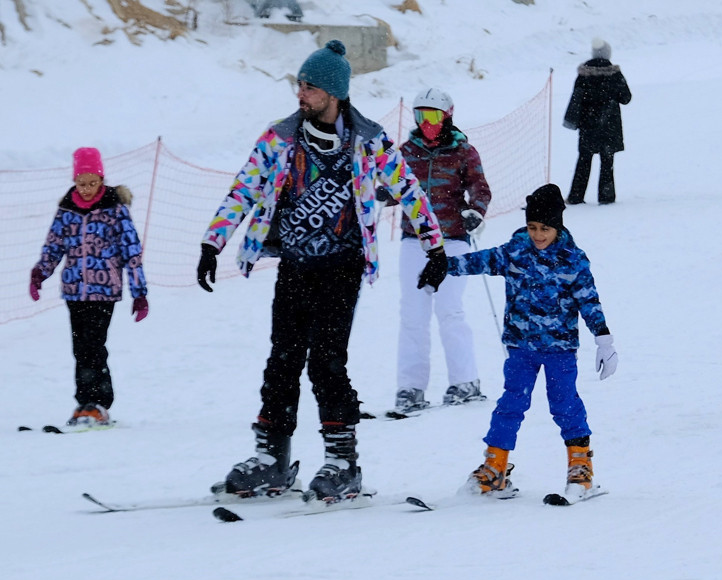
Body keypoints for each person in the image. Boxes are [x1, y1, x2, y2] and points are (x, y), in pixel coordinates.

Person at [196, 40, 446, 503]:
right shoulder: (280, 137)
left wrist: (434, 245)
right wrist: (213, 242)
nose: (300, 94)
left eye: (309, 87)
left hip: (342, 265)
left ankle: (342, 462)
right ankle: (271, 459)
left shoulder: (368, 140)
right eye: (299, 85)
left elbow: (408, 189)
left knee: (326, 362)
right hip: (295, 264)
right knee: (282, 360)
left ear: (334, 93)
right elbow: (243, 189)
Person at [445, 184, 617, 503]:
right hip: (520, 347)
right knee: (510, 405)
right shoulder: (517, 249)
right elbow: (484, 260)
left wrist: (603, 337)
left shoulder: (572, 260)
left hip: (559, 349)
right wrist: (444, 266)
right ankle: (495, 467)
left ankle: (581, 469)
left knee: (564, 404)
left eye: (545, 229)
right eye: (532, 227)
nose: (538, 235)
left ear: (558, 226)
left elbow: (588, 300)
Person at [388, 87, 492, 415]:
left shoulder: (462, 151)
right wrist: (385, 191)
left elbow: (480, 186)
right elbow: (395, 185)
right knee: (413, 316)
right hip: (415, 239)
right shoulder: (407, 151)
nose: (426, 123)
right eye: (420, 116)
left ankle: (465, 381)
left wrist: (475, 210)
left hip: (453, 239)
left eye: (432, 116)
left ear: (447, 116)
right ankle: (410, 388)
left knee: (450, 310)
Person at [30, 147, 149, 428]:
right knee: (80, 348)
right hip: (74, 290)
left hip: (104, 291)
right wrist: (39, 273)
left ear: (101, 179)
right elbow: (54, 246)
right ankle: (84, 403)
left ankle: (99, 403)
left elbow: (132, 250)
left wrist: (139, 292)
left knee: (94, 345)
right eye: (81, 183)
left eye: (92, 183)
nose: (86, 189)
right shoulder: (67, 210)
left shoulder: (115, 209)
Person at [564, 38, 632, 205]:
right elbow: (626, 98)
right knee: (607, 162)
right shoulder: (614, 74)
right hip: (609, 125)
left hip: (588, 125)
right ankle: (606, 196)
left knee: (584, 161)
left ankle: (576, 196)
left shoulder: (583, 74)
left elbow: (576, 99)